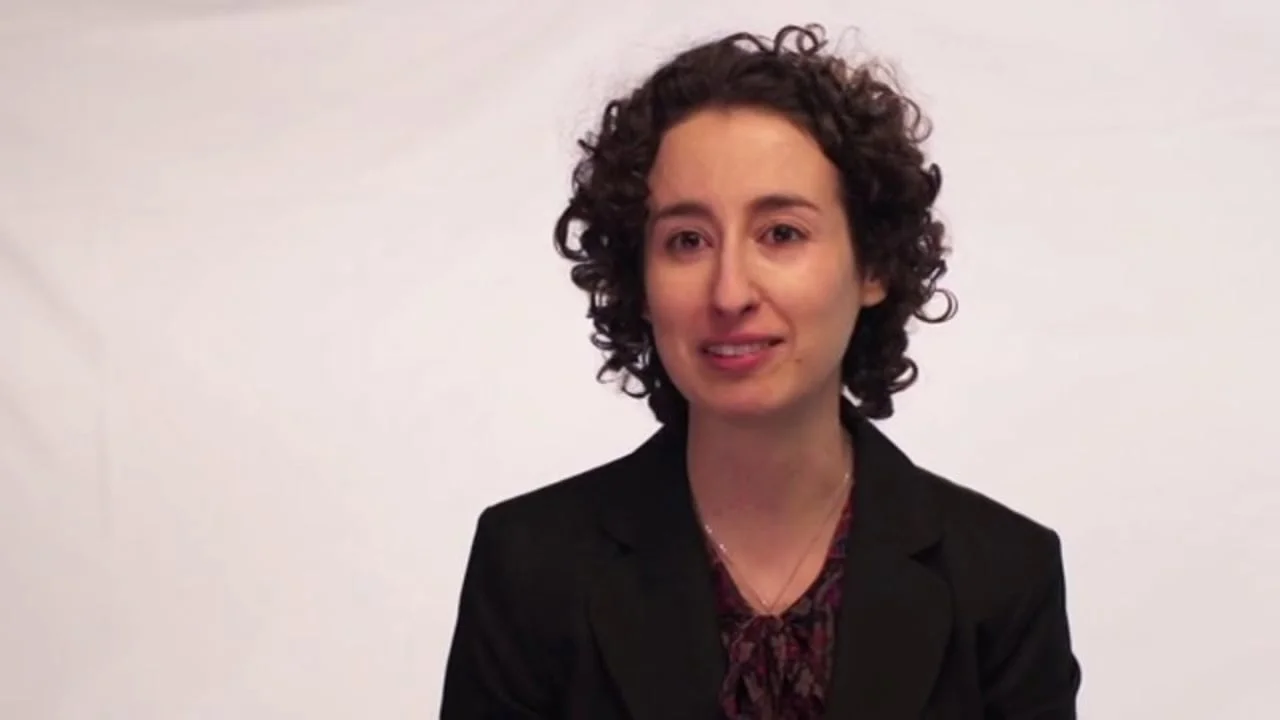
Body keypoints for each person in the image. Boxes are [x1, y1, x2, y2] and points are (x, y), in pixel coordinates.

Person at [441, 24, 1081, 719]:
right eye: (687, 241)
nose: (729, 293)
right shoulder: (530, 567)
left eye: (781, 233)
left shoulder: (1004, 576)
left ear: (873, 265)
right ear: (639, 281)